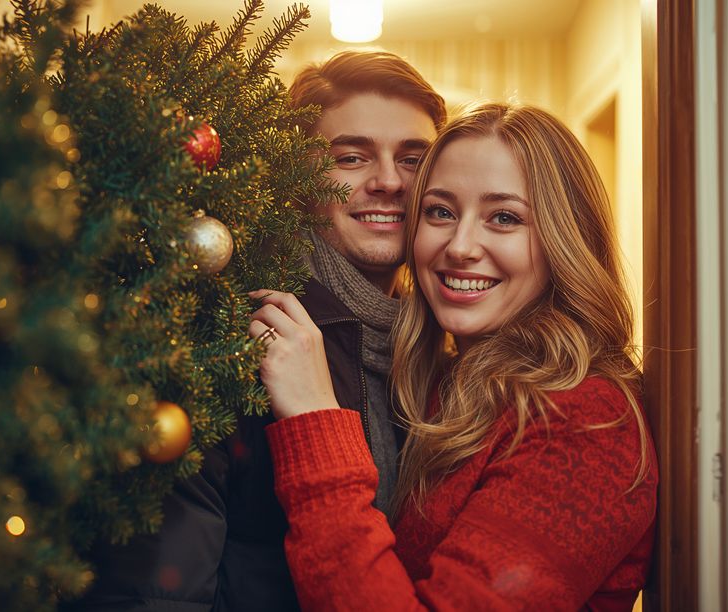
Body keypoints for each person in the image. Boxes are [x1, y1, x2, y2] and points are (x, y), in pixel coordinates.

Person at [72, 51, 445, 611]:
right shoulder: (233, 333)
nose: (388, 181)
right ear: (297, 176)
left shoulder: (443, 348)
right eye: (351, 156)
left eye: (413, 159)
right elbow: (152, 591)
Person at [247, 102, 658, 610]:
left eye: (504, 218)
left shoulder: (585, 420)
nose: (460, 246)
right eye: (440, 211)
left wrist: (315, 421)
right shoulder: (457, 388)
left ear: (562, 241)